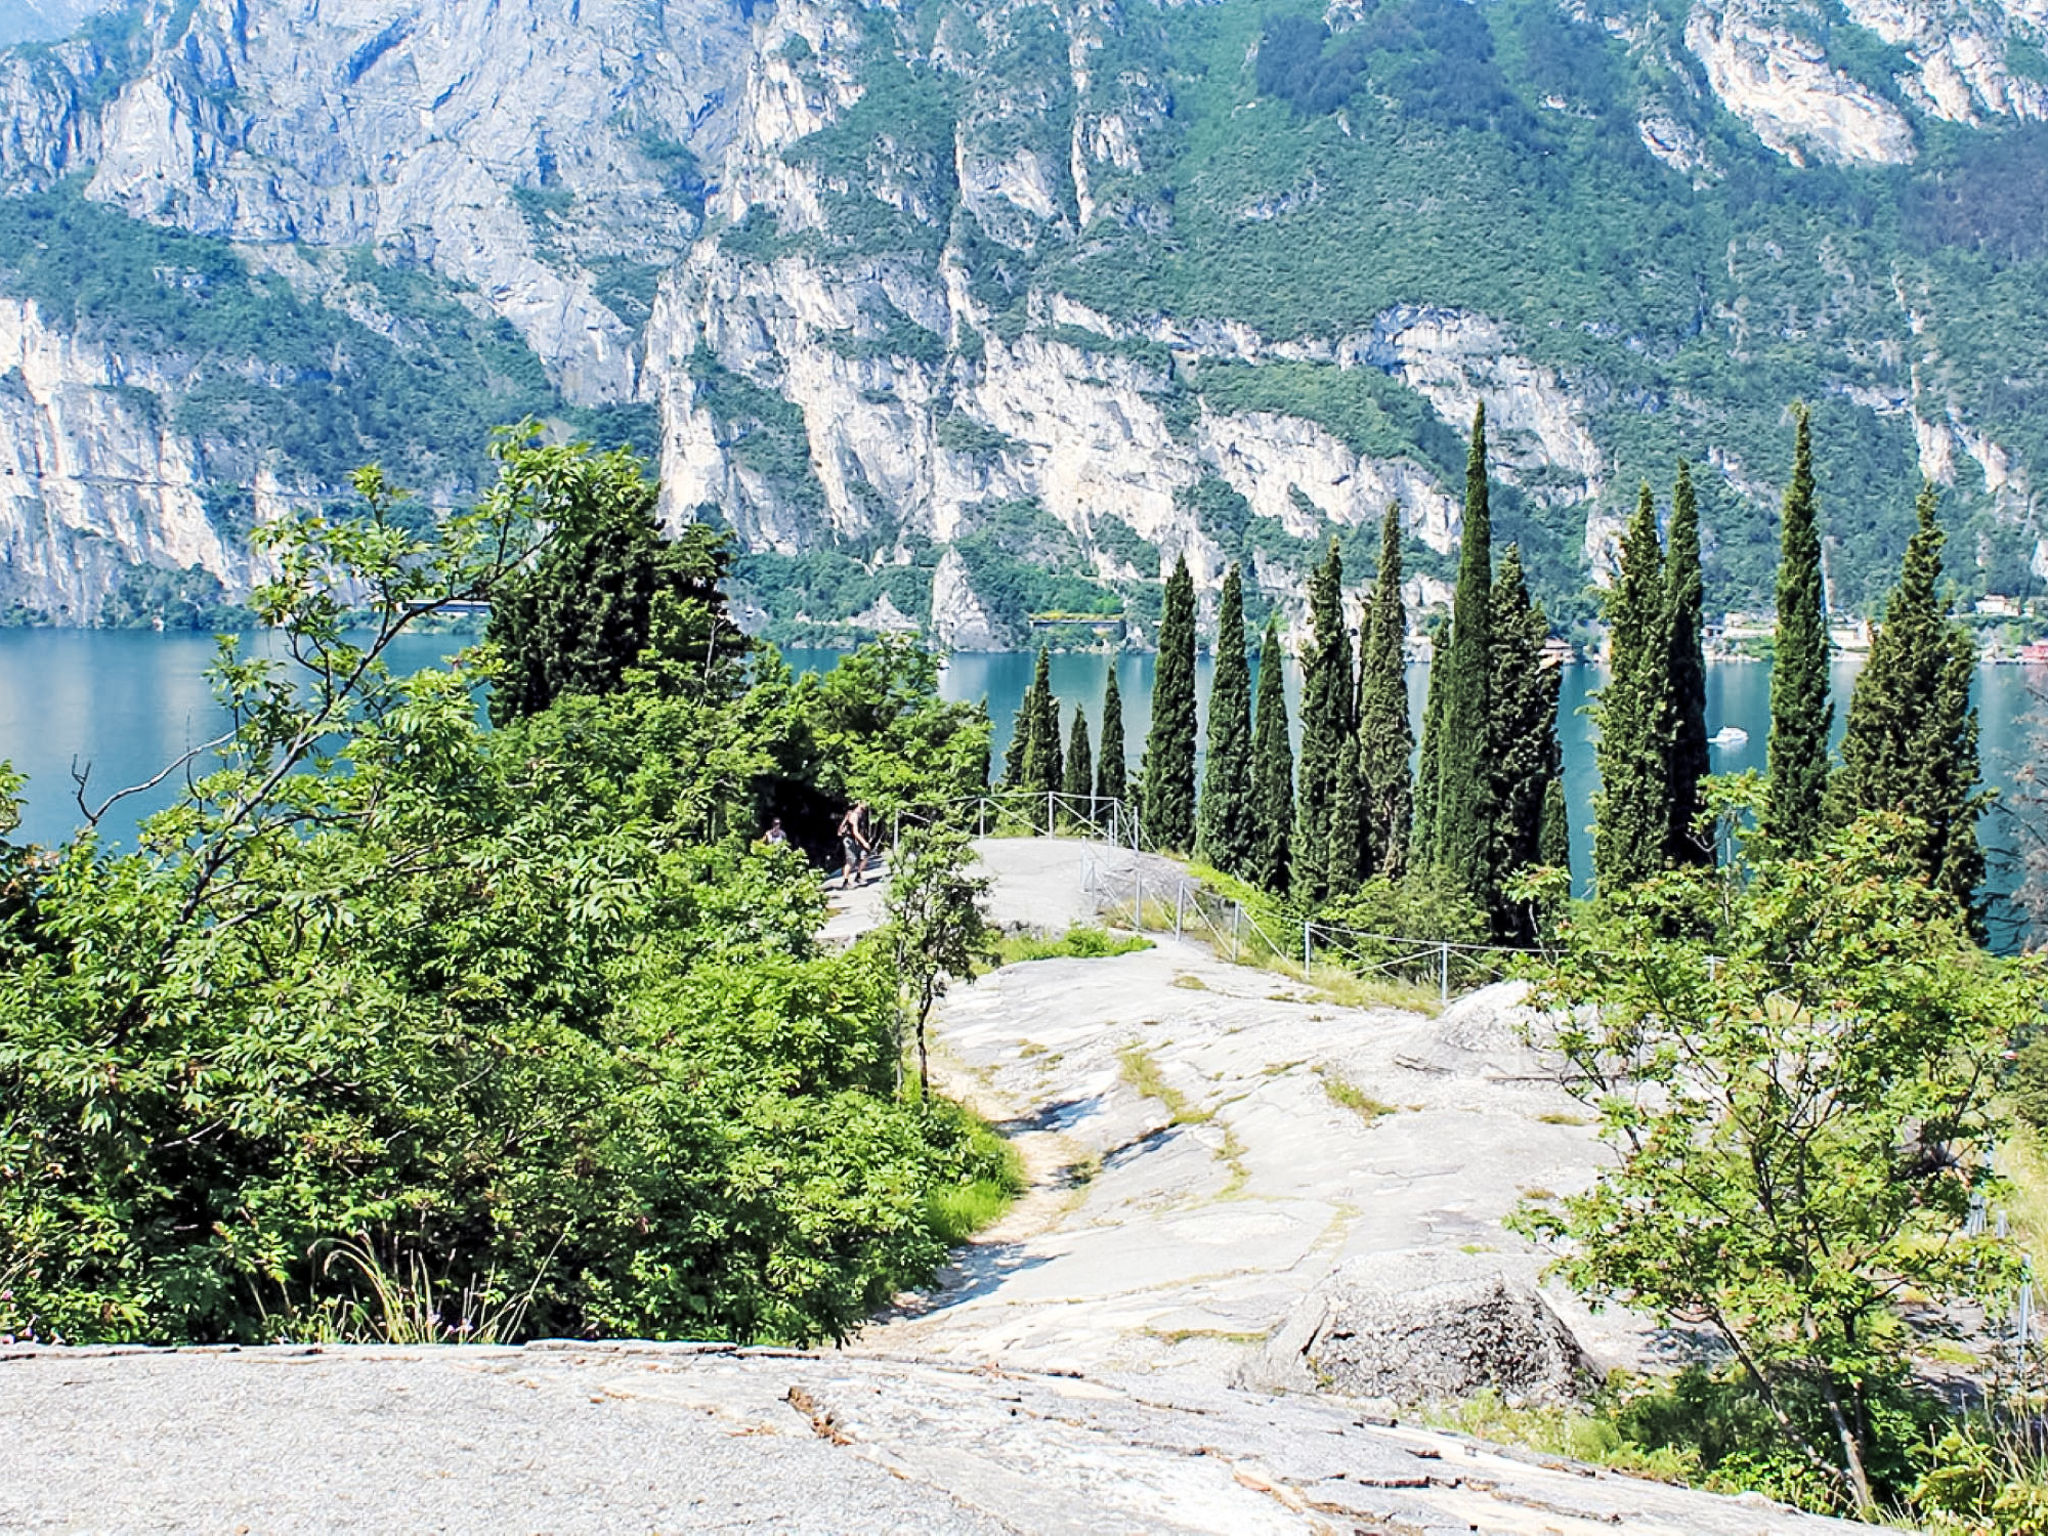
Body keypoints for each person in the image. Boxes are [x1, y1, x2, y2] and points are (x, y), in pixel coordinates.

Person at [836, 801, 871, 889]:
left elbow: (860, 830)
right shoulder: (854, 815)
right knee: (851, 860)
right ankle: (845, 882)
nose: (867, 805)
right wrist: (864, 842)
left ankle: (858, 876)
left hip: (856, 839)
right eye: (865, 803)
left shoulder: (862, 813)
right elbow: (855, 832)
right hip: (849, 839)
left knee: (865, 855)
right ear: (860, 803)